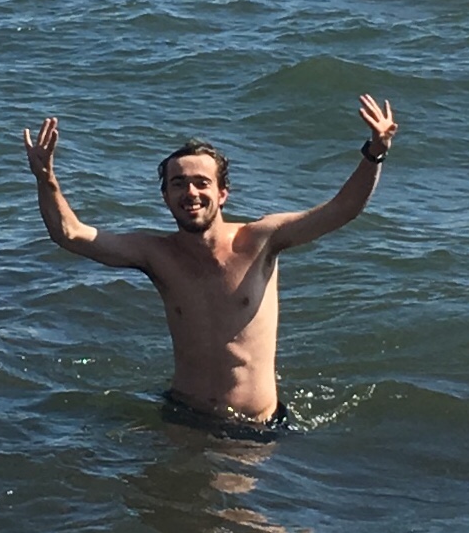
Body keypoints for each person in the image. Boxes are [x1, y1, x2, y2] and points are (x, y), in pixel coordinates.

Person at [21, 98, 397, 437]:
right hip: (183, 414)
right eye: (179, 184)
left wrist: (374, 153)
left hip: (255, 426)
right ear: (165, 196)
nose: (191, 193)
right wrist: (46, 178)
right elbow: (70, 234)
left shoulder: (261, 240)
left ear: (222, 193)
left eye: (202, 183)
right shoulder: (156, 254)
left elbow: (342, 209)